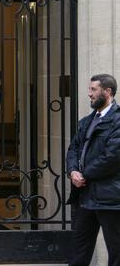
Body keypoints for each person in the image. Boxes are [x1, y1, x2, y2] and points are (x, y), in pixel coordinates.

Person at [66, 73, 120, 266]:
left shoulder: (118, 121)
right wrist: (73, 171)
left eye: (93, 89)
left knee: (116, 249)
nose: (89, 94)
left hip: (110, 197)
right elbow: (73, 149)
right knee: (79, 247)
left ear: (108, 92)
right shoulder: (87, 121)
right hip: (85, 196)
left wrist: (84, 175)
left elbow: (112, 157)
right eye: (89, 89)